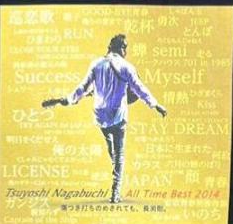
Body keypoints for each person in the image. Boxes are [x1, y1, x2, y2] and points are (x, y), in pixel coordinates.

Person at [42, 33, 167, 203]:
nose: (126, 51)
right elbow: (139, 89)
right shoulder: (126, 67)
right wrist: (155, 105)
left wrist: (68, 100)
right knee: (119, 154)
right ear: (121, 48)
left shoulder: (96, 64)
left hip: (101, 115)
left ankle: (114, 167)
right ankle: (115, 194)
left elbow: (83, 87)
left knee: (112, 150)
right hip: (118, 115)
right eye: (125, 48)